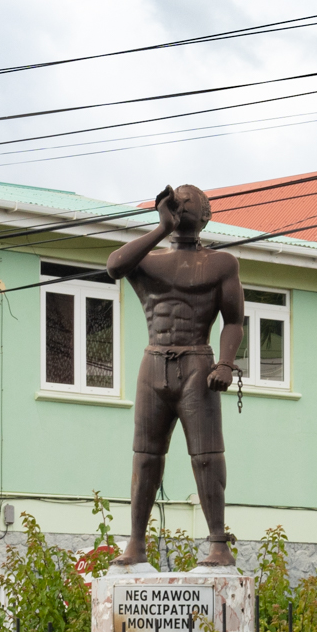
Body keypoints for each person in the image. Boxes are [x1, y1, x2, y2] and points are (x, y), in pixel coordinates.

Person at [104, 184, 243, 569]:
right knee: (145, 458)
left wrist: (226, 365)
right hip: (153, 365)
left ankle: (218, 543)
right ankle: (136, 543)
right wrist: (160, 229)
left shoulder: (221, 264)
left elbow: (234, 321)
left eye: (190, 200)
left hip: (198, 364)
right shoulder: (148, 260)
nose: (182, 203)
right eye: (177, 199)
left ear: (206, 214)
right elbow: (114, 265)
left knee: (206, 456)